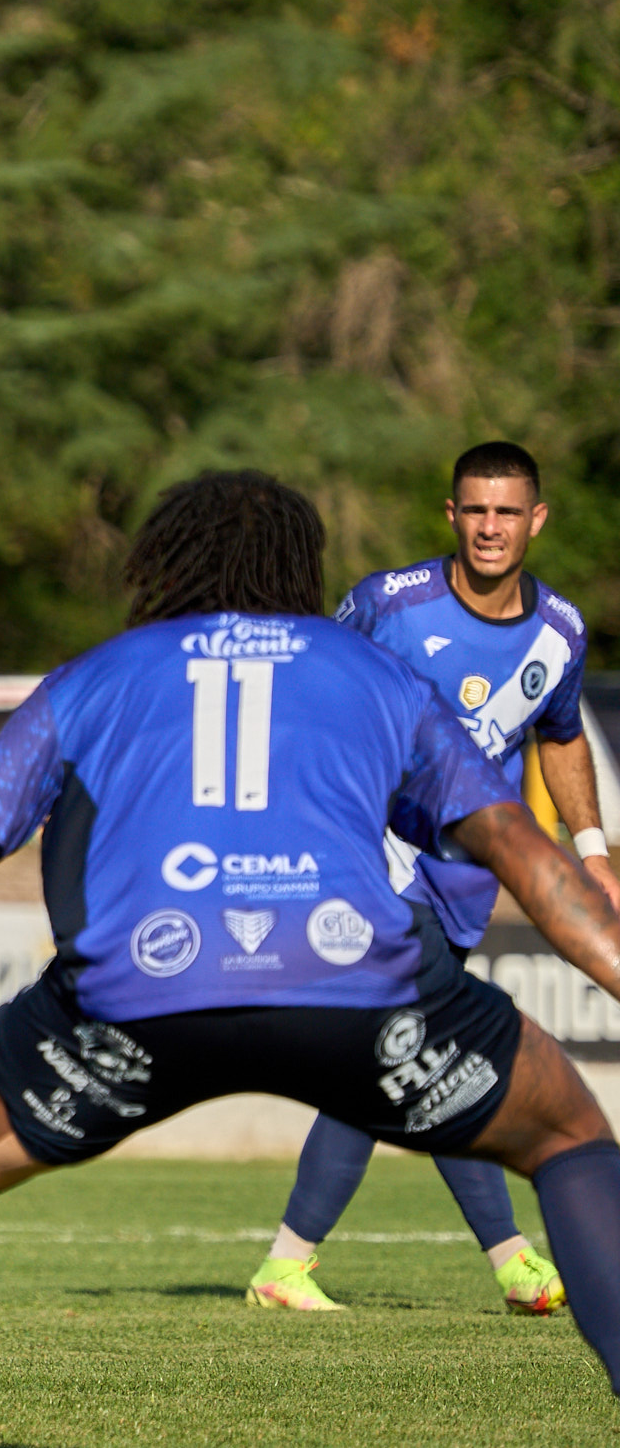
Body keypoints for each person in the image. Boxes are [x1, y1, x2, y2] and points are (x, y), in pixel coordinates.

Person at [0, 471, 620, 1446]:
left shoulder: (98, 675)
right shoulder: (372, 671)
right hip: (353, 990)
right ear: (299, 569)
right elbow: (520, 850)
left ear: (162, 563)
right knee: (567, 1133)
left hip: (137, 998)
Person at [248, 440, 617, 1313]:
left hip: (460, 880)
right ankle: (493, 1259)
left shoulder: (560, 632)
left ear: (536, 520)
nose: (490, 527)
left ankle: (300, 1265)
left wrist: (594, 851)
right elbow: (305, 691)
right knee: (422, 1040)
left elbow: (561, 734)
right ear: (452, 515)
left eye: (507, 511)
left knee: (409, 1056)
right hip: (374, 861)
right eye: (475, 510)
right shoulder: (391, 604)